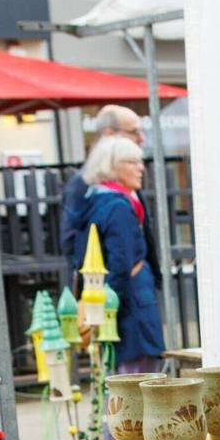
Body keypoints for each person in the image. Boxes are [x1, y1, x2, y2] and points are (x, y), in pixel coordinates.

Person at [78, 136, 163, 373]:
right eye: (132, 162)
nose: (141, 168)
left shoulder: (99, 200)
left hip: (124, 308)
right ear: (111, 167)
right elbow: (120, 263)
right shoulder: (118, 206)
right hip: (130, 311)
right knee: (138, 381)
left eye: (140, 161)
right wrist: (107, 307)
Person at [60, 104, 148, 289]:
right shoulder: (84, 184)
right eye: (134, 132)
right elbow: (73, 242)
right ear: (110, 133)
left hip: (134, 285)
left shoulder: (124, 183)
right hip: (110, 288)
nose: (141, 138)